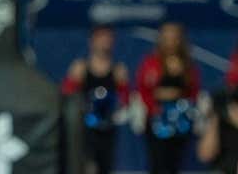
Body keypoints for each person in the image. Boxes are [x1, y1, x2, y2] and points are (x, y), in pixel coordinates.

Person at [61, 25, 130, 174]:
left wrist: (122, 94)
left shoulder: (119, 70)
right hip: (84, 129)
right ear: (92, 41)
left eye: (108, 38)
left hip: (108, 129)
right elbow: (67, 96)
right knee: (86, 165)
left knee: (105, 165)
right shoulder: (80, 68)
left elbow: (125, 101)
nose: (105, 42)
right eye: (101, 38)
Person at [136, 22, 201, 174]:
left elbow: (194, 92)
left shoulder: (188, 65)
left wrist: (181, 100)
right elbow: (143, 88)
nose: (170, 41)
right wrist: (155, 105)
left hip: (180, 120)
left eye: (174, 37)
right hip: (156, 118)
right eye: (167, 36)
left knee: (175, 163)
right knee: (157, 162)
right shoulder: (151, 62)